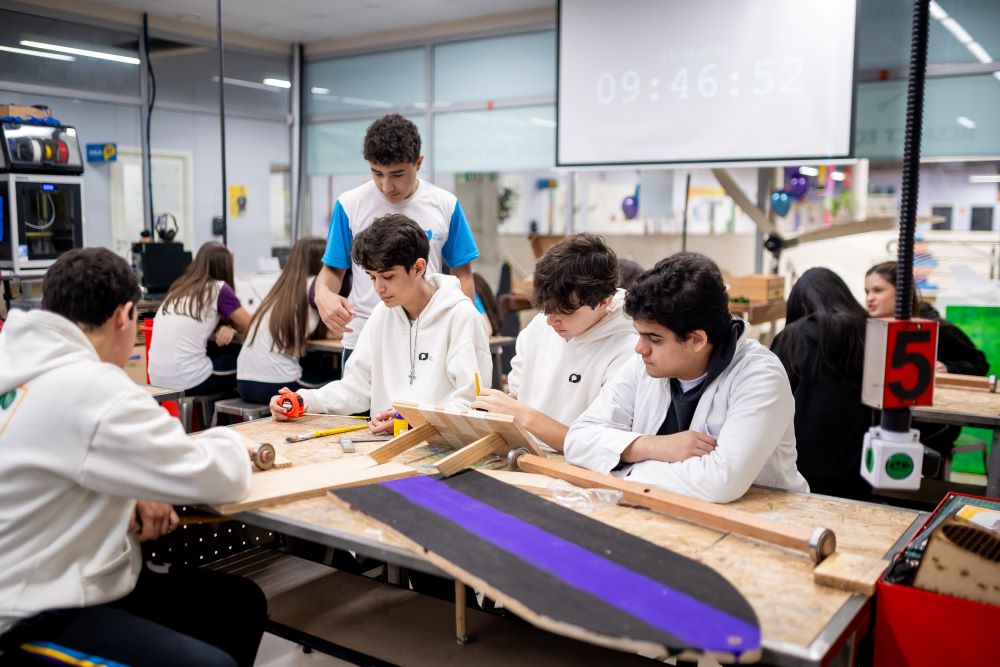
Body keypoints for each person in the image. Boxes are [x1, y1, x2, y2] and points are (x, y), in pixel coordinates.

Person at [0, 248, 263, 667]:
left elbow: (61, 458)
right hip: (27, 614)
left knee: (237, 604)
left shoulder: (15, 363)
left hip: (46, 574)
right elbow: (217, 477)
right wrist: (238, 444)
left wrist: (136, 481)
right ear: (124, 316)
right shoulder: (91, 387)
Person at [564, 253, 809, 503]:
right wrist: (654, 447)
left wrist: (616, 463)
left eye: (654, 338)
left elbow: (719, 483)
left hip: (766, 517)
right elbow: (577, 439)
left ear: (696, 340)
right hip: (668, 511)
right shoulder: (644, 365)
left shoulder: (759, 376)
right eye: (640, 335)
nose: (640, 348)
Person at [269, 214, 491, 433]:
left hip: (443, 450)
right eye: (372, 277)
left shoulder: (462, 316)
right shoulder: (382, 315)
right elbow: (357, 387)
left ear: (418, 268)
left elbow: (471, 403)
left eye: (388, 276)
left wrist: (412, 421)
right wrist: (304, 400)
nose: (378, 288)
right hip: (385, 446)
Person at [312, 114, 480, 363]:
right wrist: (322, 295)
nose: (386, 186)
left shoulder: (446, 204)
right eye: (377, 173)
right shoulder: (349, 205)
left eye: (397, 174)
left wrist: (466, 330)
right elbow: (333, 271)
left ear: (419, 163)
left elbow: (463, 276)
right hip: (364, 337)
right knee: (355, 401)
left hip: (427, 337)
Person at [473, 234, 637, 452]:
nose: (551, 321)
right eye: (546, 308)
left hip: (579, 467)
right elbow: (517, 395)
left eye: (564, 311)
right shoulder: (539, 326)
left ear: (603, 301)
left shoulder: (629, 349)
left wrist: (521, 414)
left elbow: (601, 446)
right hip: (524, 452)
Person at [864, 260, 989, 457]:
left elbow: (979, 364)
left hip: (934, 424)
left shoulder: (938, 330)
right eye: (867, 292)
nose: (869, 298)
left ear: (901, 292)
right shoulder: (867, 330)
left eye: (878, 291)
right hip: (883, 419)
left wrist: (948, 368)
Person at [771, 268, 874, 500]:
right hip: (861, 469)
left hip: (802, 470)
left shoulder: (793, 336)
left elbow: (769, 397)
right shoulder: (873, 331)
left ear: (801, 304)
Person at [237, 237, 332, 404]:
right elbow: (338, 329)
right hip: (280, 385)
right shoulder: (315, 286)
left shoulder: (281, 288)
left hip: (244, 384)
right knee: (338, 379)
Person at [148, 242, 251, 396]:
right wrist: (234, 327)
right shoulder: (218, 288)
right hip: (187, 380)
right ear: (225, 266)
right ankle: (229, 419)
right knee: (247, 363)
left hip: (156, 378)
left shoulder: (178, 287)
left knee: (219, 355)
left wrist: (229, 327)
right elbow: (253, 325)